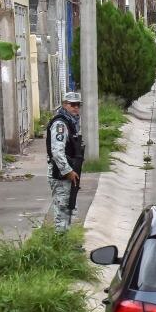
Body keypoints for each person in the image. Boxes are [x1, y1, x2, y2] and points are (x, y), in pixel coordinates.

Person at [46, 92, 85, 232]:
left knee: (70, 207)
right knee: (63, 211)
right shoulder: (60, 124)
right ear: (64, 104)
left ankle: (69, 242)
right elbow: (57, 152)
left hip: (68, 173)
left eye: (78, 105)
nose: (76, 108)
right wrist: (68, 171)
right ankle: (62, 243)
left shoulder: (71, 122)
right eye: (72, 104)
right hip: (61, 174)